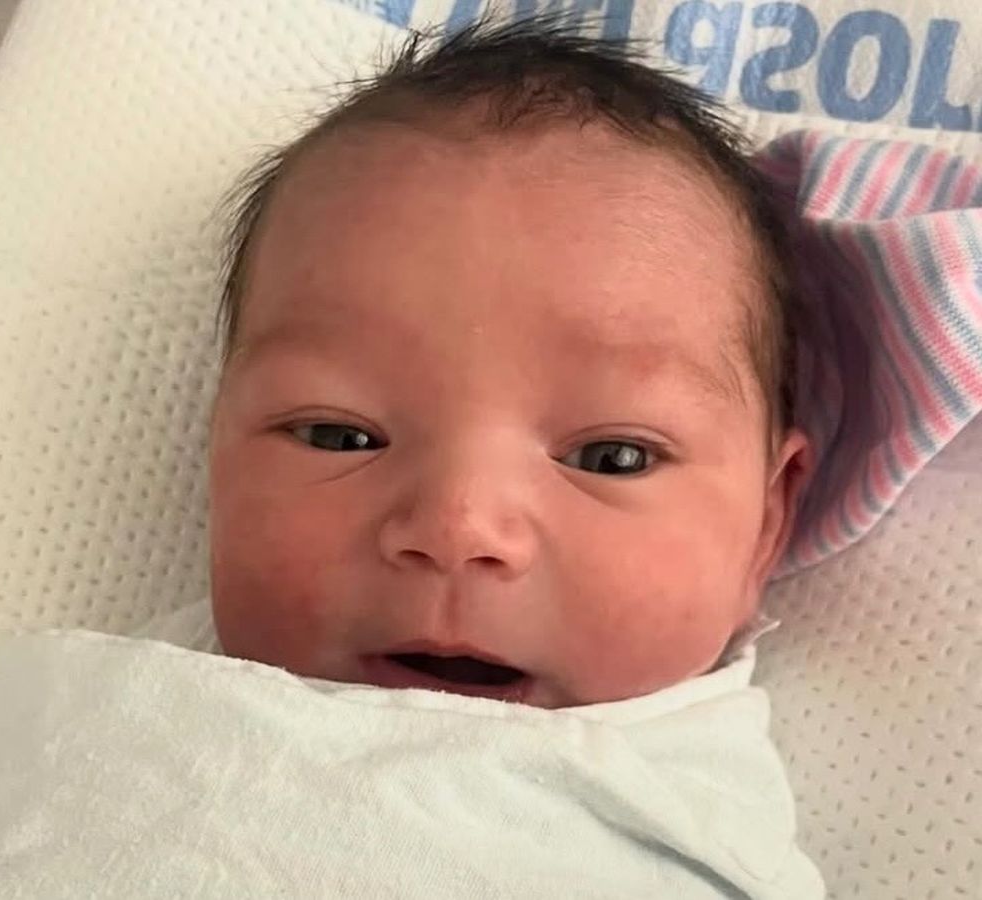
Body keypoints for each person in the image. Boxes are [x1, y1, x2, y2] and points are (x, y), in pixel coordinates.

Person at [192, 16, 812, 709]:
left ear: (765, 527)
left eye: (613, 458)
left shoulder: (678, 771)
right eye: (338, 437)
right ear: (216, 455)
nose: (457, 529)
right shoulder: (130, 695)